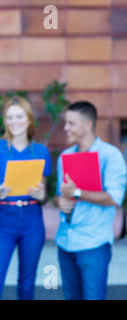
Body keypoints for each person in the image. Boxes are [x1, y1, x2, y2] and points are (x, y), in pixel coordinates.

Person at [0, 96, 52, 300]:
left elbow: (44, 197)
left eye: (19, 116)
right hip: (4, 219)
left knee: (27, 284)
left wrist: (41, 195)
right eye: (9, 117)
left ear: (29, 119)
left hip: (32, 220)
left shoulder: (41, 151)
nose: (14, 122)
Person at [54, 101, 126, 300]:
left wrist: (77, 192)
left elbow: (114, 198)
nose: (66, 128)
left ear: (87, 125)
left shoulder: (111, 156)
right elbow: (59, 194)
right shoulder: (65, 156)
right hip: (65, 243)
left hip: (93, 245)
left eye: (71, 123)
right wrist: (60, 201)